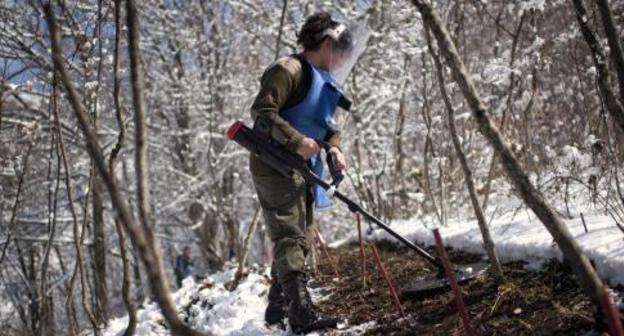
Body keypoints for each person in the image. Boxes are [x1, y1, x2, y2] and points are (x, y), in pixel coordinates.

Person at [249, 12, 353, 333]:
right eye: (341, 54)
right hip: (273, 163)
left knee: (302, 236)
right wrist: (296, 141)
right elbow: (262, 113)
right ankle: (301, 316)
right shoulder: (288, 70)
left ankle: (277, 309)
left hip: (302, 167)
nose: (341, 62)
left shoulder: (325, 79)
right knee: (289, 235)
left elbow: (329, 124)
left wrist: (333, 147)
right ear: (326, 44)